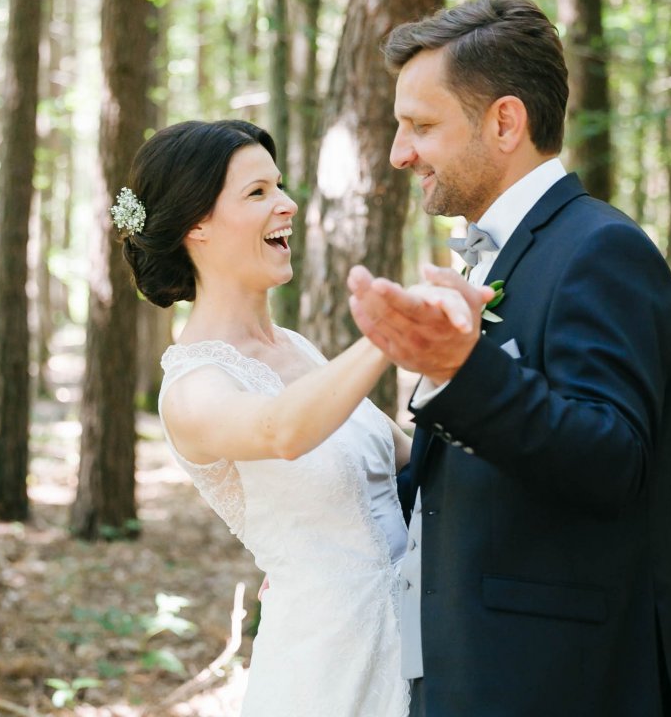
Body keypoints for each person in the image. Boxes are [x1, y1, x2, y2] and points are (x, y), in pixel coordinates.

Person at [348, 0, 671, 716]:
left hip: (550, 681)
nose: (398, 153)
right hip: (458, 664)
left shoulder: (601, 249)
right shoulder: (492, 253)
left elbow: (614, 460)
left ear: (504, 121)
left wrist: (461, 371)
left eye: (421, 126)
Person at [118, 119, 474, 716]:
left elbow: (413, 456)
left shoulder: (297, 349)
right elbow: (279, 432)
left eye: (278, 186)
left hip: (418, 644)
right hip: (325, 668)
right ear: (196, 224)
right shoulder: (191, 388)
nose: (286, 205)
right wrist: (393, 329)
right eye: (257, 193)